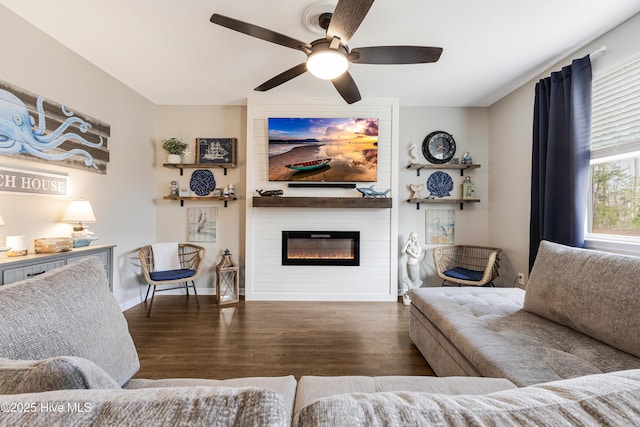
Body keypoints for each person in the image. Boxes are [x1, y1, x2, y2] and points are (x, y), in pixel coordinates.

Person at [401, 232, 423, 305]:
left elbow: (417, 256)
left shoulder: (418, 247)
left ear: (417, 239)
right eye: (412, 237)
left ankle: (412, 294)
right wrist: (408, 241)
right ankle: (409, 293)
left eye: (415, 237)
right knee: (410, 279)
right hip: (408, 265)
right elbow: (402, 251)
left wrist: (410, 252)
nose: (414, 239)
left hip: (415, 265)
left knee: (413, 280)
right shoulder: (409, 246)